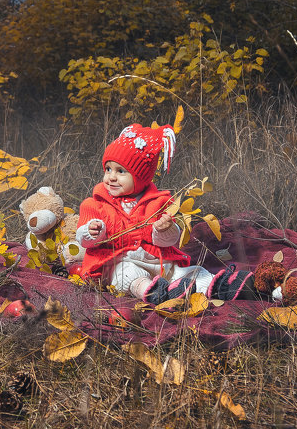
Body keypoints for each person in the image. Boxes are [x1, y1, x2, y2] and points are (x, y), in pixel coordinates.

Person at [75, 123, 253, 303]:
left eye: (121, 171)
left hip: (157, 261)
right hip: (117, 261)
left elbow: (169, 241)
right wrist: (92, 232)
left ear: (141, 177)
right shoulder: (95, 204)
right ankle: (153, 292)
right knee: (125, 273)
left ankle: (221, 286)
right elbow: (83, 240)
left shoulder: (159, 203)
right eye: (108, 169)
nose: (111, 177)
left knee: (184, 271)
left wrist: (164, 230)